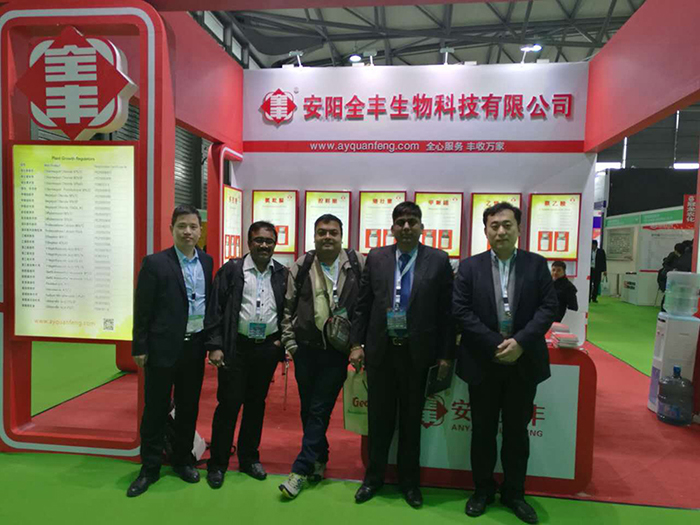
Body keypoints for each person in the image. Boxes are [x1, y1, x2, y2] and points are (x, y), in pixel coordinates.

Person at [453, 202, 557, 524]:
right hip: (483, 362)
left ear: (519, 229)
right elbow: (460, 310)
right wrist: (495, 342)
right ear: (485, 230)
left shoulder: (536, 265)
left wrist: (520, 342)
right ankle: (482, 490)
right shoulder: (469, 268)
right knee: (482, 431)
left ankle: (514, 493)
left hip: (523, 363)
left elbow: (548, 307)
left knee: (516, 432)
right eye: (494, 225)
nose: (500, 231)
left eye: (507, 225)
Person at [350, 201, 454, 509]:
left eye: (412, 221)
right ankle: (373, 479)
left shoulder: (438, 260)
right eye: (401, 222)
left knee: (411, 422)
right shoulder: (377, 257)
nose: (406, 227)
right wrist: (356, 344)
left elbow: (446, 312)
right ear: (392, 228)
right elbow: (363, 305)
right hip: (381, 352)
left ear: (422, 227)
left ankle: (410, 484)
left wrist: (445, 354)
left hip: (418, 354)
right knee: (379, 420)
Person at [128, 205, 214, 497]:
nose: (188, 232)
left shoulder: (207, 262)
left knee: (189, 407)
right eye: (182, 226)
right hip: (162, 348)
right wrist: (140, 346)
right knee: (155, 408)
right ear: (172, 229)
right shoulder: (155, 263)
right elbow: (143, 308)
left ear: (200, 231)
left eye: (193, 226)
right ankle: (149, 468)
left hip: (195, 347)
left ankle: (182, 460)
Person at [278, 214, 365, 499]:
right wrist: (291, 344)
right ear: (314, 236)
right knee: (308, 409)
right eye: (322, 232)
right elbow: (288, 307)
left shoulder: (357, 264)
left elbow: (366, 306)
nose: (327, 237)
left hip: (337, 352)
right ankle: (319, 457)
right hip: (305, 348)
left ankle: (300, 469)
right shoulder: (302, 265)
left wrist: (358, 344)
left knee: (319, 408)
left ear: (342, 235)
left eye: (333, 232)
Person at [204, 221, 288, 488]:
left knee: (256, 405)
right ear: (249, 242)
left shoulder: (282, 274)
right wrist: (215, 345)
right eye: (258, 240)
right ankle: (217, 463)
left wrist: (280, 343)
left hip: (266, 349)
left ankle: (249, 458)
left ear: (275, 244)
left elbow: (289, 310)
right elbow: (215, 309)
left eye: (269, 241)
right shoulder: (232, 271)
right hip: (236, 348)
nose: (264, 245)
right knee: (229, 404)